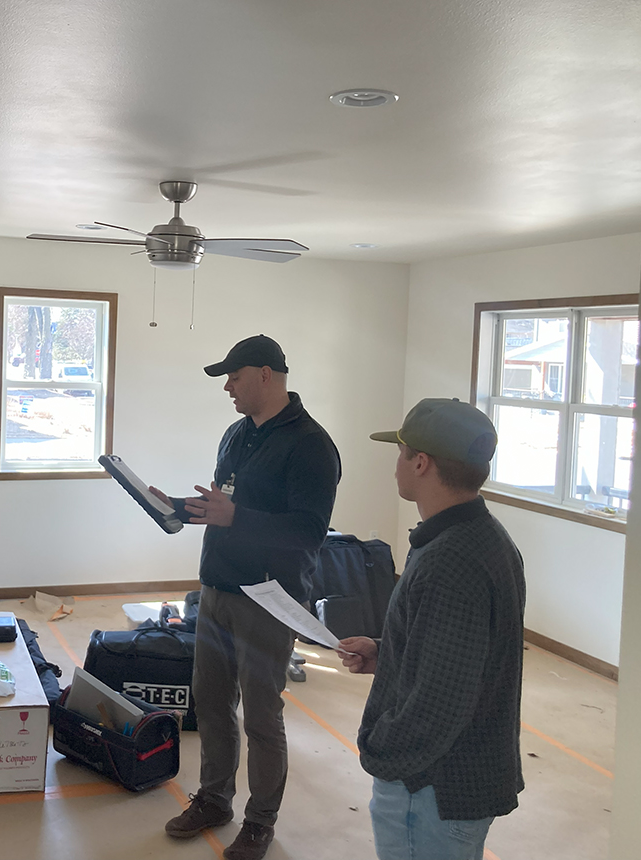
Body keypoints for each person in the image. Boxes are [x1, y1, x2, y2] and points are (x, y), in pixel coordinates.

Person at [153, 334, 342, 860]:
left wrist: (238, 518)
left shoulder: (311, 445)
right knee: (211, 705)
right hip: (215, 587)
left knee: (261, 716)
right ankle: (214, 799)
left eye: (234, 378)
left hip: (268, 598)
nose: (228, 389)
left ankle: (260, 822)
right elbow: (226, 504)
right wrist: (177, 508)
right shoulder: (236, 435)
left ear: (266, 374)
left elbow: (308, 531)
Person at [339, 398, 526, 860]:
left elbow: (442, 701)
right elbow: (464, 655)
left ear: (420, 462)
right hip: (452, 786)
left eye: (400, 451)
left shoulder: (449, 560)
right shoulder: (485, 539)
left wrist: (381, 752)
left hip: (430, 792)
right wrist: (388, 653)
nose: (396, 464)